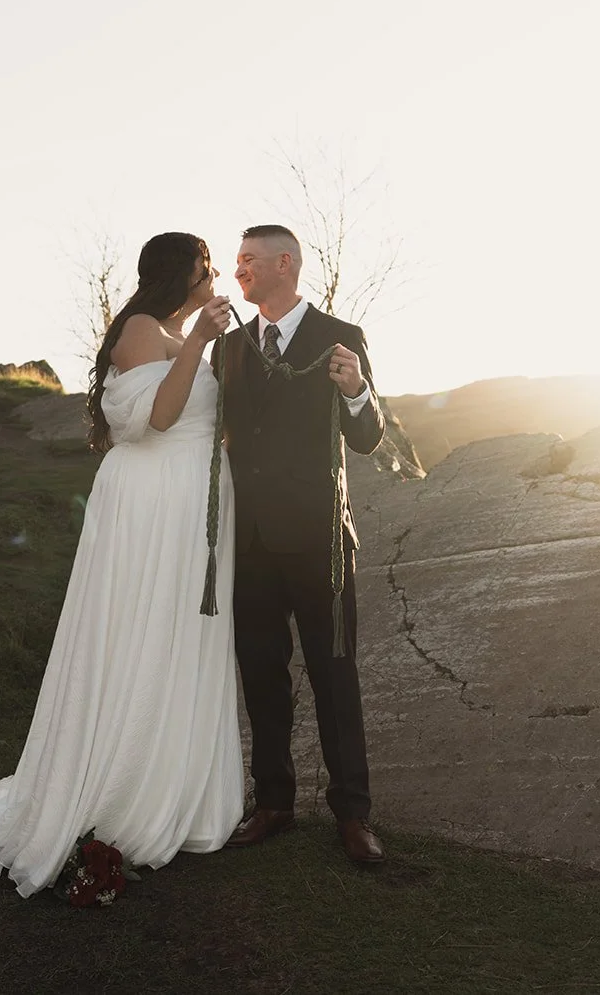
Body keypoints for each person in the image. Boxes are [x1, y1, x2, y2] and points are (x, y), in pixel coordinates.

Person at [0, 232, 243, 896]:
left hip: (191, 505)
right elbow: (156, 418)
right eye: (205, 268)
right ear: (179, 275)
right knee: (142, 634)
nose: (213, 278)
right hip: (154, 507)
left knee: (181, 638)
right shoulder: (142, 330)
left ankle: (180, 786)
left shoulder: (176, 335)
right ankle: (122, 789)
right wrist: (202, 343)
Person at [215, 224, 388, 864]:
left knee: (334, 677)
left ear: (284, 262)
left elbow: (367, 437)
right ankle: (274, 803)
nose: (238, 271)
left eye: (248, 260)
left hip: (320, 542)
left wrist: (355, 390)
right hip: (251, 542)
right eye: (237, 261)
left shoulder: (341, 337)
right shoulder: (227, 348)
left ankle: (353, 814)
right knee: (262, 676)